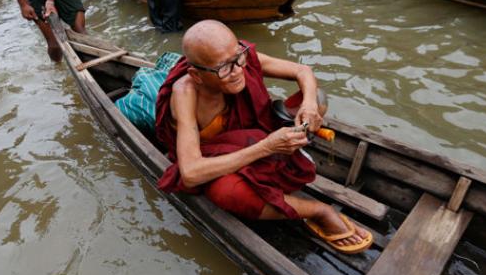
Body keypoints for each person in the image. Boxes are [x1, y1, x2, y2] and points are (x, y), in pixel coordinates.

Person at [155, 20, 374, 254]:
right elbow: (190, 174)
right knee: (227, 193)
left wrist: (308, 105)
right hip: (218, 158)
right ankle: (318, 210)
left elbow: (302, 71)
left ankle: (285, 154)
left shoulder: (241, 58)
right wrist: (267, 147)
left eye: (238, 57)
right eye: (224, 68)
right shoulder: (186, 92)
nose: (239, 71)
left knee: (317, 99)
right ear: (196, 75)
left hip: (254, 138)